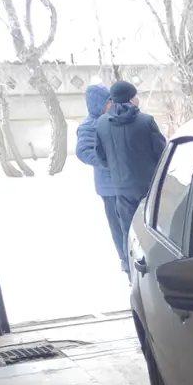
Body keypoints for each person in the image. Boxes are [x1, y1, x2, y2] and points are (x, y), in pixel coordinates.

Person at [94, 80, 167, 274]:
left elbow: (100, 156)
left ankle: (132, 273)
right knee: (154, 229)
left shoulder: (102, 123)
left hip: (121, 188)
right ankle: (159, 270)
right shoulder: (146, 121)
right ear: (132, 98)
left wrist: (117, 170)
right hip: (149, 187)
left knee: (129, 233)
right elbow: (162, 153)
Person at [74, 84, 128, 269]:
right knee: (118, 226)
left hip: (124, 182)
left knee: (130, 223)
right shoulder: (89, 126)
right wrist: (108, 162)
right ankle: (125, 260)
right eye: (108, 101)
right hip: (109, 187)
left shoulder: (112, 119)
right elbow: (83, 151)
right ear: (98, 103)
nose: (111, 104)